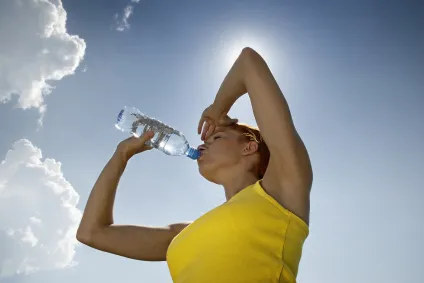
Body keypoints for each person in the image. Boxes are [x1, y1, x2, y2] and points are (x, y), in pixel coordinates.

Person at [77, 47, 313, 283]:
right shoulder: (184, 234)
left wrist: (218, 109)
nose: (202, 144)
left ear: (249, 147)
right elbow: (92, 233)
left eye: (217, 137)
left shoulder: (282, 188)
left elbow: (248, 62)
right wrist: (121, 155)